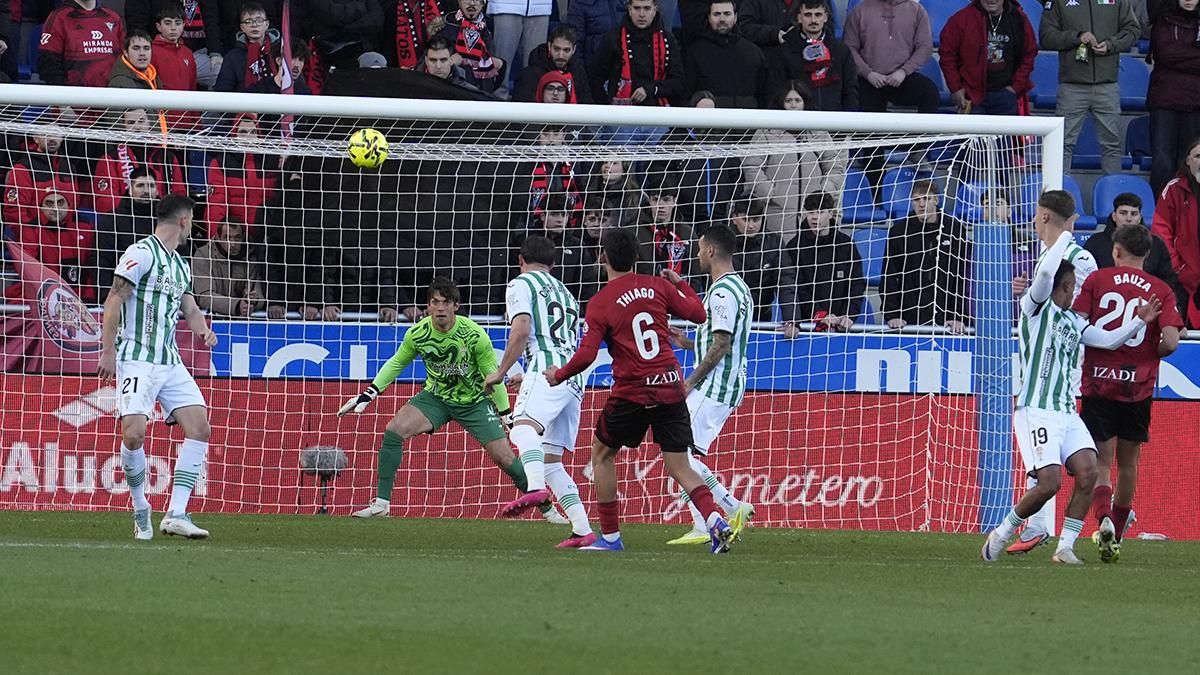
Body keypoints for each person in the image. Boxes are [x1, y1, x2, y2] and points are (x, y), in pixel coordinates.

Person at [543, 228, 736, 553]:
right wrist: (680, 284)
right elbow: (699, 314)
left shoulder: (600, 302)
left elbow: (587, 354)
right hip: (670, 386)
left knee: (602, 455)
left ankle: (610, 538)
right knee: (680, 465)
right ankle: (714, 519)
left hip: (633, 390)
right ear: (636, 257)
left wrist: (558, 374)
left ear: (603, 257)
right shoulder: (658, 286)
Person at [981, 229, 1162, 565]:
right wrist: (1064, 235)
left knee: (1089, 472)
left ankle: (1065, 547)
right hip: (1036, 409)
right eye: (1072, 286)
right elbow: (1045, 275)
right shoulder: (1035, 308)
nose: (1076, 291)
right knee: (1048, 483)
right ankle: (1003, 532)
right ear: (1064, 285)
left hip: (1066, 412)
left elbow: (1108, 340)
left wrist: (1138, 323)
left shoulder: (1073, 322)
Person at [339, 277, 534, 519]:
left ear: (456, 306)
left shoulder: (474, 335)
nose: (440, 308)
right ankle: (381, 505)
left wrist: (506, 414)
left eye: (446, 302)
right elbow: (397, 363)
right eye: (435, 302)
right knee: (394, 430)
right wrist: (369, 393)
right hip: (436, 397)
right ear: (428, 306)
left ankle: (547, 508)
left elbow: (493, 376)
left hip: (474, 401)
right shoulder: (418, 333)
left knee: (505, 458)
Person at [97, 194, 219, 541]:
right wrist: (108, 351)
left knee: (200, 428)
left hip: (169, 360)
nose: (193, 225)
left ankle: (177, 513)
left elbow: (189, 309)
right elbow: (114, 299)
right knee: (134, 434)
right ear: (183, 220)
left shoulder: (181, 264)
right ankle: (140, 506)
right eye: (192, 218)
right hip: (136, 358)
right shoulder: (141, 253)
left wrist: (203, 330)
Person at [1073, 225, 1183, 562]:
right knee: (1129, 463)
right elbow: (1171, 342)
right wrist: (1151, 353)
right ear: (1147, 254)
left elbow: (1076, 325)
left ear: (1116, 250)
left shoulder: (1097, 280)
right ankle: (1117, 532)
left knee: (1101, 461)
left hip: (1098, 381)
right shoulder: (1161, 290)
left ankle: (1103, 517)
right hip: (1137, 385)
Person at [484, 236, 597, 548]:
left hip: (546, 372)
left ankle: (534, 489)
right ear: (554, 264)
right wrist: (526, 374)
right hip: (571, 378)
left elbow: (521, 330)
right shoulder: (567, 293)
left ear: (520, 260)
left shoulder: (520, 283)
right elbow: (560, 341)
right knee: (550, 462)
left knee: (522, 430)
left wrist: (500, 372)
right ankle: (583, 530)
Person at [1006, 189, 1099, 554]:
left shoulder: (1079, 257)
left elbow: (1081, 307)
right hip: (1044, 353)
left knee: (1059, 448)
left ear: (1043, 216)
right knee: (1045, 454)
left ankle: (1038, 526)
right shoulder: (1048, 254)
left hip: (1063, 360)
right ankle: (1038, 525)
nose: (1032, 219)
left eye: (1035, 214)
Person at [663, 224, 756, 545]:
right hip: (724, 382)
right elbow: (721, 340)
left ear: (712, 251)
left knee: (678, 455)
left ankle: (722, 513)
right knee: (680, 453)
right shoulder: (738, 287)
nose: (698, 254)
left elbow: (722, 344)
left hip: (715, 385)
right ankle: (723, 511)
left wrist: (689, 381)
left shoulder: (722, 292)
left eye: (701, 248)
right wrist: (688, 343)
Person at [1040, 0, 1140, 174]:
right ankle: (1057, 190)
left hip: (1107, 85)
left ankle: (1112, 191)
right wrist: (1076, 37)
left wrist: (1111, 44)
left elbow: (1133, 30)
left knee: (1111, 145)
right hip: (1072, 86)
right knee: (1062, 144)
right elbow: (1046, 36)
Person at [742, 82, 846, 241]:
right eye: (788, 100)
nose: (793, 105)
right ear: (781, 103)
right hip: (776, 212)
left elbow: (834, 166)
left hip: (812, 213)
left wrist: (824, 192)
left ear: (805, 103)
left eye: (797, 100)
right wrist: (770, 193)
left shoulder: (819, 133)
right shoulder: (765, 132)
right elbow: (752, 166)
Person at [880, 179, 972, 333]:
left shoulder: (954, 228)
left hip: (947, 317)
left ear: (936, 200)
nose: (921, 204)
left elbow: (962, 275)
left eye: (926, 198)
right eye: (916, 200)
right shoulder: (899, 231)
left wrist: (957, 314)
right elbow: (890, 275)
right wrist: (893, 314)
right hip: (907, 318)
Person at [781, 191, 866, 335]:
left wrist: (849, 315)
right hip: (806, 328)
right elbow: (797, 288)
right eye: (810, 212)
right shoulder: (795, 247)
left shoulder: (846, 245)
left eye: (820, 212)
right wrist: (820, 315)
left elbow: (856, 283)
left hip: (841, 326)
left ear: (831, 214)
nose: (814, 217)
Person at [1084, 192, 1184, 309]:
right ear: (1114, 216)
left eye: (1134, 214)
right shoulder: (1095, 243)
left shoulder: (1156, 244)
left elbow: (1168, 280)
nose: (1129, 218)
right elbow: (1086, 279)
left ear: (1140, 217)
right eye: (1123, 213)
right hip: (1103, 305)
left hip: (1148, 306)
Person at [939, 0, 1038, 115]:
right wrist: (956, 88)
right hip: (972, 96)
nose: (991, 0)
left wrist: (1016, 87)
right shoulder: (960, 20)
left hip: (1007, 95)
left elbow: (1029, 53)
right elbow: (947, 55)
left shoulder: (1019, 19)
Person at [843, 0, 938, 114]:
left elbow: (924, 47)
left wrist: (903, 71)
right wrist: (868, 73)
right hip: (869, 79)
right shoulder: (859, 11)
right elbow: (849, 48)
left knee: (930, 93)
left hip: (902, 77)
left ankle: (921, 127)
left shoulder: (917, 11)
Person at [1148, 0, 1200, 197]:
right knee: (1162, 160)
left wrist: (1179, 55)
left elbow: (1172, 55)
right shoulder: (1163, 20)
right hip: (1165, 102)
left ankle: (1188, 205)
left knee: (1190, 160)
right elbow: (1165, 54)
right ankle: (1161, 205)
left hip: (1195, 103)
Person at [91, 108, 188, 214]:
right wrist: (137, 207)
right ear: (124, 127)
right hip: (125, 219)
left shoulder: (167, 157)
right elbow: (104, 202)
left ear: (149, 123)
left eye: (141, 121)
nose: (137, 127)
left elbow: (180, 195)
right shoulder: (110, 159)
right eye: (131, 123)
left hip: (162, 218)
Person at [588, 0, 683, 106]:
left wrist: (651, 89)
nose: (641, 14)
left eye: (647, 8)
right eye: (637, 8)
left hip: (658, 109)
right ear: (629, 10)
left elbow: (678, 82)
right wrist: (606, 107)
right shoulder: (613, 38)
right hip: (619, 111)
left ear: (654, 10)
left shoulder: (668, 40)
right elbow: (595, 77)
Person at [683, 0, 775, 109]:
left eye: (727, 14)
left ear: (735, 17)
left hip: (748, 118)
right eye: (717, 14)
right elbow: (686, 94)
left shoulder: (753, 52)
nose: (722, 19)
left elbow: (766, 93)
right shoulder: (695, 52)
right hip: (710, 118)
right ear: (709, 17)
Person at [1152, 138, 1200, 328]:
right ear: (1187, 160)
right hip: (1182, 281)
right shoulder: (1174, 189)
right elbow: (1161, 231)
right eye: (1198, 156)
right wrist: (1177, 268)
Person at [16, 188, 96, 301]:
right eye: (49, 204)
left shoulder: (85, 227)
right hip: (45, 294)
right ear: (41, 207)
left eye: (60, 203)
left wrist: (89, 296)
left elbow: (94, 265)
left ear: (69, 205)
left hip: (83, 294)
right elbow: (29, 270)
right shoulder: (31, 230)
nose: (55, 208)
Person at [205, 113, 279, 235]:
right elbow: (216, 206)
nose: (248, 137)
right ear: (235, 135)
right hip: (236, 237)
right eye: (243, 132)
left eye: (253, 132)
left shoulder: (274, 162)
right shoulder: (221, 163)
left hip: (270, 235)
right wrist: (217, 239)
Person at [124, 0, 225, 88]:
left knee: (223, 73)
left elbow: (212, 19)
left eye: (177, 23)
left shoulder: (187, 53)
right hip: (160, 49)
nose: (173, 27)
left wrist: (215, 52)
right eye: (168, 23)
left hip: (197, 52)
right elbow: (136, 26)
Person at [778, 0, 857, 112]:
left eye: (818, 15)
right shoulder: (785, 50)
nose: (813, 20)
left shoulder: (841, 50)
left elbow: (850, 89)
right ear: (799, 18)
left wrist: (849, 116)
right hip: (799, 118)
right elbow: (779, 91)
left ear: (825, 17)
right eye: (808, 15)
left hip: (835, 117)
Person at [726, 198, 793, 323]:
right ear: (734, 218)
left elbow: (786, 282)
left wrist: (791, 320)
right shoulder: (722, 243)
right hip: (728, 315)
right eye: (746, 220)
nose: (751, 225)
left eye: (756, 220)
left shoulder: (774, 243)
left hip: (762, 316)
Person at [39, 0, 126, 89]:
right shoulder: (59, 17)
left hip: (112, 93)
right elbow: (49, 62)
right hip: (73, 94)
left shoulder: (113, 18)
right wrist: (62, 93)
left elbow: (124, 60)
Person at [3, 130, 79, 230]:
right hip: (35, 234)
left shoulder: (69, 167)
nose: (52, 139)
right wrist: (32, 233)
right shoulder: (23, 168)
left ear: (62, 137)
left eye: (56, 134)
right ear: (36, 138)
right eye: (46, 134)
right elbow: (14, 211)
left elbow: (74, 204)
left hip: (65, 233)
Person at [192, 219, 266, 317]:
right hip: (211, 318)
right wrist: (236, 305)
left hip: (243, 318)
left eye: (237, 238)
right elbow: (204, 297)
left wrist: (253, 301)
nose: (233, 244)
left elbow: (259, 295)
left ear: (243, 237)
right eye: (227, 238)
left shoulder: (251, 257)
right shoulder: (203, 255)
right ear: (218, 237)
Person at [434, 0, 506, 95]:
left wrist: (501, 65)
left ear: (483, 4)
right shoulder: (446, 26)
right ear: (459, 2)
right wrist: (448, 62)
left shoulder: (488, 27)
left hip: (482, 94)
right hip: (454, 93)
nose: (472, 4)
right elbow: (432, 65)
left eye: (477, 0)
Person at [514, 24, 594, 103]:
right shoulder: (530, 74)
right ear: (549, 46)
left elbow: (587, 104)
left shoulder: (578, 71)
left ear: (574, 49)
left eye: (566, 50)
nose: (561, 55)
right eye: (556, 49)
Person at [214, 2, 281, 92]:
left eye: (259, 20)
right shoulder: (233, 57)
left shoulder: (280, 52)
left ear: (267, 24)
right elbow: (222, 91)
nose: (254, 25)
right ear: (242, 27)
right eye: (248, 21)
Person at [564, 0, 626, 67]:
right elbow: (575, 44)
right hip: (594, 67)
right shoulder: (579, 3)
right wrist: (580, 72)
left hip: (624, 65)